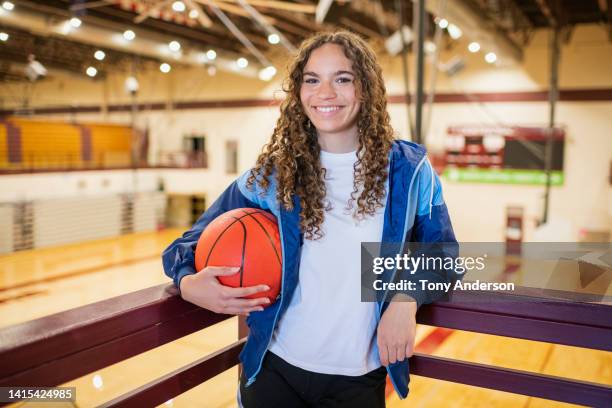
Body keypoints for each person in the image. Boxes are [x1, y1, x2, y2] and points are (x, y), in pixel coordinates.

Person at [162, 31, 456, 407]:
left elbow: (442, 250)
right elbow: (187, 243)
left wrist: (406, 298)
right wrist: (187, 282)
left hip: (359, 380)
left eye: (343, 79)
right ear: (299, 93)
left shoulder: (408, 172)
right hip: (274, 371)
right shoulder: (274, 176)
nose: (325, 93)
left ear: (365, 89)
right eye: (312, 80)